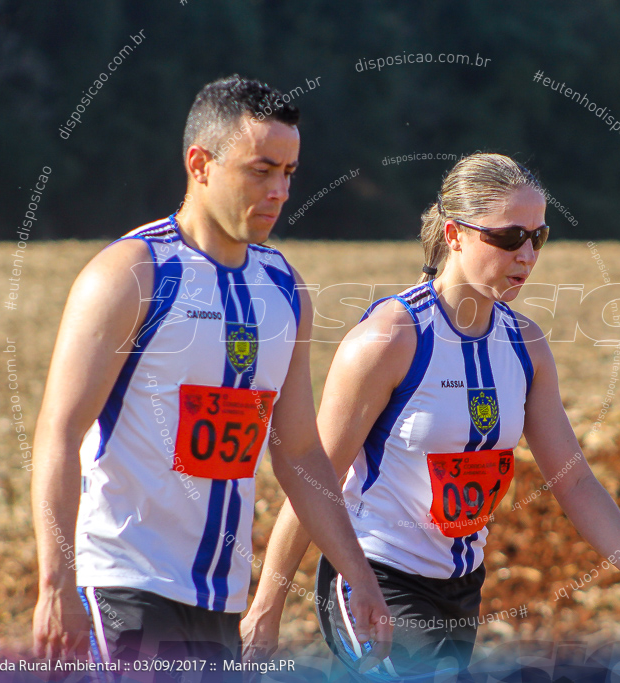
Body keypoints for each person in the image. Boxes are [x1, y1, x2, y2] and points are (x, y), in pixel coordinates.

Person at [241, 153, 620, 681]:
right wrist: (266, 608)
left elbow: (572, 479)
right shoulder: (391, 338)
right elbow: (312, 477)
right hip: (374, 576)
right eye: (508, 237)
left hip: (461, 589)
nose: (526, 254)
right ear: (454, 234)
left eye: (538, 237)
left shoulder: (526, 346)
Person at [31, 75, 392, 675]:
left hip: (221, 603)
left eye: (290, 173)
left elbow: (300, 451)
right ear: (200, 164)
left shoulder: (284, 288)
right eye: (260, 170)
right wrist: (54, 584)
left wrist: (360, 575)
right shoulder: (130, 276)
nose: (279, 190)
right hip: (126, 590)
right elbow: (59, 432)